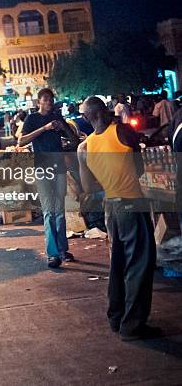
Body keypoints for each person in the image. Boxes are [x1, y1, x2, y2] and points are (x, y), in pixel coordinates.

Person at [78, 96, 160, 341]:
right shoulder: (122, 131)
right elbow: (140, 168)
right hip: (131, 203)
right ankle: (133, 325)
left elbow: (88, 186)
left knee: (119, 263)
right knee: (140, 263)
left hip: (110, 207)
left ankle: (116, 316)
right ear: (104, 111)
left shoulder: (86, 146)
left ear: (86, 118)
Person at [19, 88, 78, 268]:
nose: (49, 102)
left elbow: (75, 140)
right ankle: (52, 253)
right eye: (45, 99)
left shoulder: (58, 118)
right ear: (39, 102)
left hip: (59, 167)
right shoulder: (32, 119)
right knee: (48, 211)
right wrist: (44, 129)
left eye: (51, 99)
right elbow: (21, 141)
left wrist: (63, 129)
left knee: (59, 211)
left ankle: (62, 249)